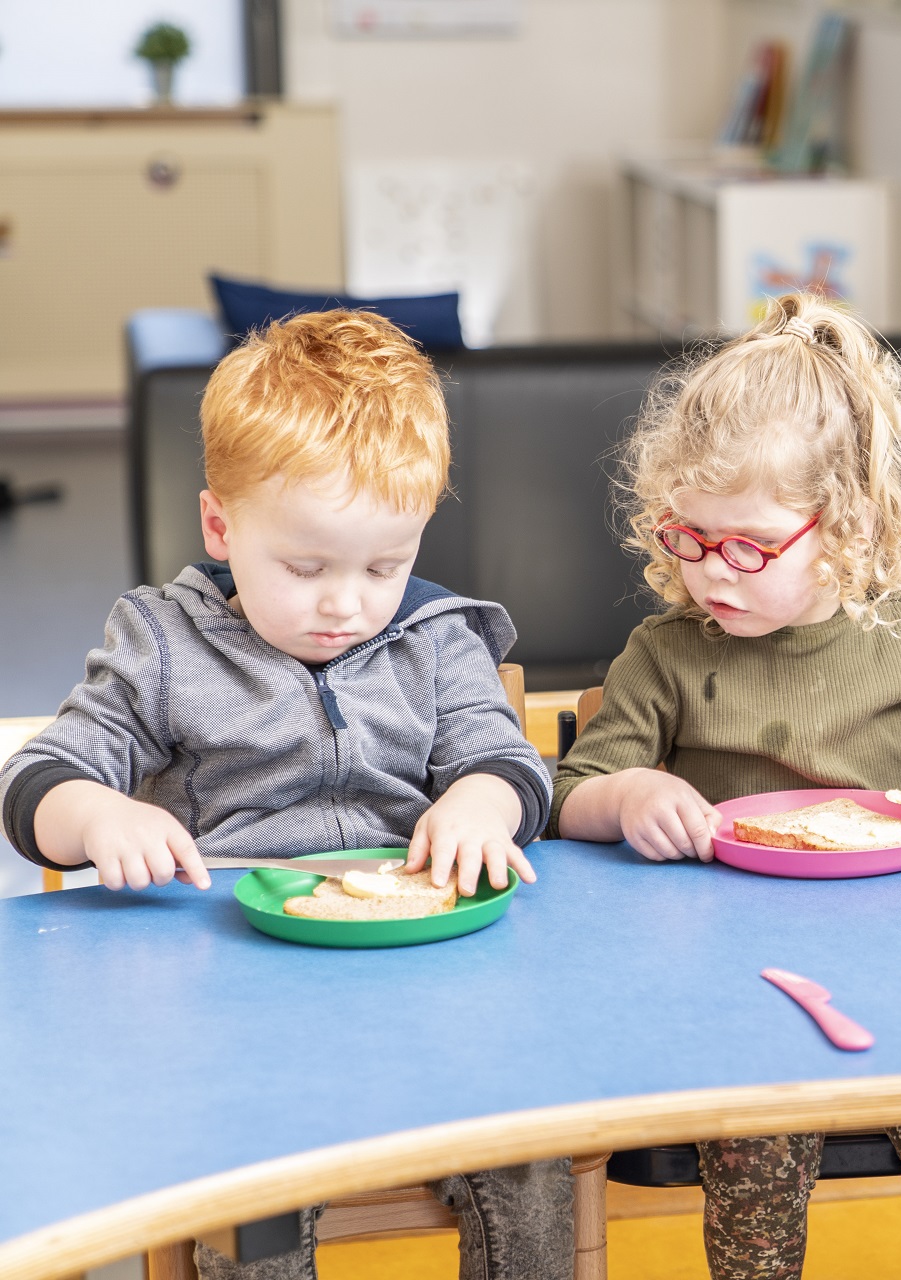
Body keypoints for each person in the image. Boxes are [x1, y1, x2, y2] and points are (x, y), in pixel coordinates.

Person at [0, 310, 570, 1280]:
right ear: (221, 524)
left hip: (428, 975)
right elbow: (40, 776)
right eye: (305, 567)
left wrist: (483, 797)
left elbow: (509, 760)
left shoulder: (438, 636)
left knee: (533, 1146)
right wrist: (99, 815)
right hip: (235, 990)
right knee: (252, 1181)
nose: (346, 602)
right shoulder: (165, 643)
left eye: (384, 565)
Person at [552, 292, 901, 1280]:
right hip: (746, 983)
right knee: (751, 1195)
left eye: (747, 545)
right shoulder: (666, 653)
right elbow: (574, 789)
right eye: (687, 538)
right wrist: (630, 796)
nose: (712, 574)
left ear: (845, 528)